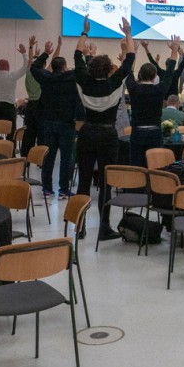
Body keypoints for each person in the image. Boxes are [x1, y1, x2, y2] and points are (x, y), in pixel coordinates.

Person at [74, 16, 135, 238]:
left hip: (87, 132)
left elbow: (76, 56)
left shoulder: (83, 82)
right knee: (106, 184)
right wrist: (128, 33)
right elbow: (130, 59)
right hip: (108, 134)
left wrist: (84, 32)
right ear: (109, 69)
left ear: (90, 69)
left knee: (83, 182)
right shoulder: (115, 82)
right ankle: (104, 228)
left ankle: (80, 227)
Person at [31, 40, 79, 200]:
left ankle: (47, 188)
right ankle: (63, 189)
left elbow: (34, 67)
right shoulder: (71, 78)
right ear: (65, 67)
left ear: (52, 67)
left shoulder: (46, 78)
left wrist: (45, 53)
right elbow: (82, 70)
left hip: (48, 123)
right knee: (66, 158)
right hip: (67, 123)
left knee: (49, 157)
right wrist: (87, 55)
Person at [126, 37, 182, 167]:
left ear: (140, 74)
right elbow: (169, 72)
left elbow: (128, 71)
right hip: (155, 133)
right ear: (156, 75)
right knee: (156, 167)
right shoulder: (160, 89)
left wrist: (133, 52)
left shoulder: (134, 89)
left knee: (137, 168)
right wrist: (174, 51)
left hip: (137, 133)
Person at [0, 40, 29, 137]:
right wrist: (24, 53)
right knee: (11, 132)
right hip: (9, 107)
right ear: (8, 66)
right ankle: (10, 146)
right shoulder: (12, 76)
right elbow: (26, 67)